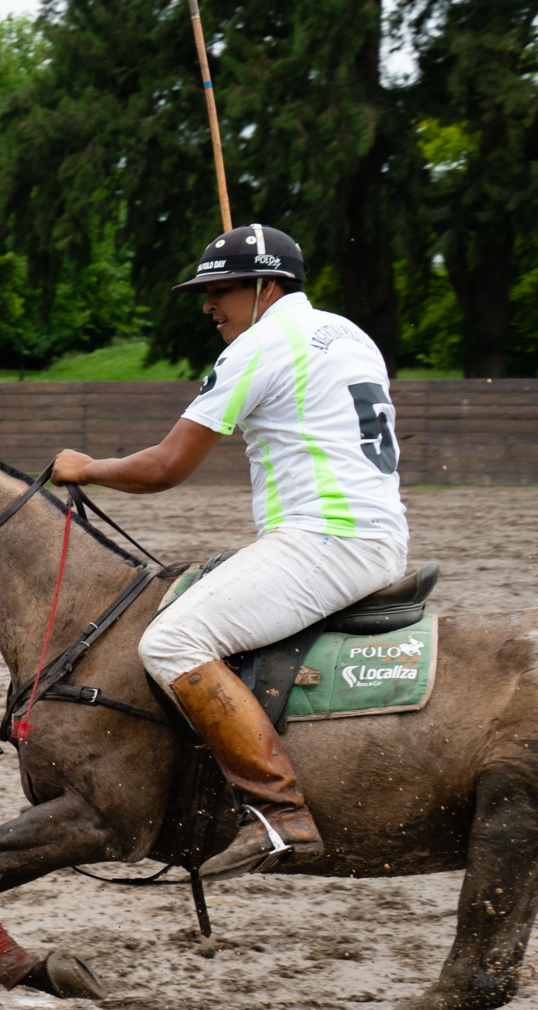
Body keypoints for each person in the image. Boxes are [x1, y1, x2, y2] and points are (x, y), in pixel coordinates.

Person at [50, 225, 407, 880]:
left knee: (170, 642)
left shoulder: (260, 347)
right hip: (379, 534)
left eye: (219, 290)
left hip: (325, 540)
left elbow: (165, 467)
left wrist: (85, 467)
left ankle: (280, 813)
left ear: (266, 286)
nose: (208, 306)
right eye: (205, 291)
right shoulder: (349, 334)